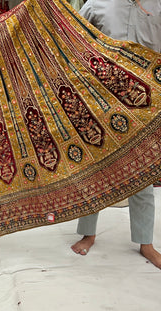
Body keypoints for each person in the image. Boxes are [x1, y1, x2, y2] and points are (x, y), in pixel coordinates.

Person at [71, 0, 161, 269]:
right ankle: (89, 234)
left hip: (147, 103)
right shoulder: (98, 4)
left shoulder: (158, 6)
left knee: (144, 171)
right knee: (96, 168)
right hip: (103, 100)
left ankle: (146, 243)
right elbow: (73, 38)